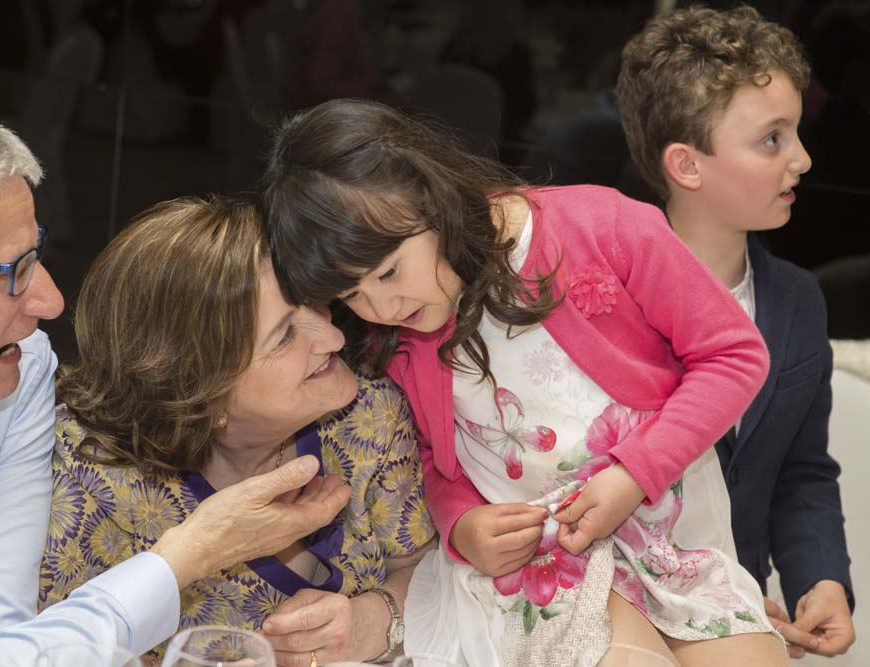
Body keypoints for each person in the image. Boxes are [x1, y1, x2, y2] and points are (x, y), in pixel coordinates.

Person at [261, 98, 788, 666]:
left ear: (431, 198)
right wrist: (462, 525)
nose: (382, 307)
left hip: (669, 538)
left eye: (389, 272)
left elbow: (733, 355)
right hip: (542, 566)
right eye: (351, 295)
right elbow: (437, 459)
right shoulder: (398, 338)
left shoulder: (600, 226)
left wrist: (636, 473)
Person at [0, 96, 349, 665]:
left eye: (36, 254)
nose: (51, 301)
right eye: (12, 272)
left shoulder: (18, 376)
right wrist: (190, 553)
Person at [40, 196, 435, 666]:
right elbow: (48, 649)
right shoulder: (90, 478)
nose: (335, 337)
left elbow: (426, 567)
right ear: (199, 393)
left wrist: (375, 619)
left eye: (314, 302)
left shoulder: (366, 419)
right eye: (284, 335)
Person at [615, 4, 855, 659]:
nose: (803, 158)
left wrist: (821, 579)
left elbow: (801, 471)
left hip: (751, 610)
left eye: (797, 132)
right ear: (687, 166)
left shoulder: (799, 300)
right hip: (625, 613)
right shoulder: (611, 303)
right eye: (772, 139)